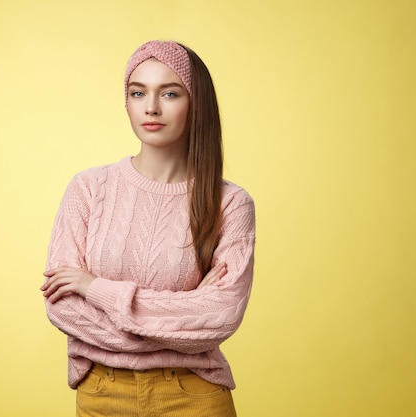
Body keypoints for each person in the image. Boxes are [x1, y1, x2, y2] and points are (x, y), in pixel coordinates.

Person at [40, 40, 255, 417]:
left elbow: (219, 315)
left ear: (196, 103)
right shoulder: (89, 188)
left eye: (170, 93)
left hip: (192, 394)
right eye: (138, 92)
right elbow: (62, 307)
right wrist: (182, 320)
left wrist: (96, 288)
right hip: (102, 394)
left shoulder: (230, 204)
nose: (151, 107)